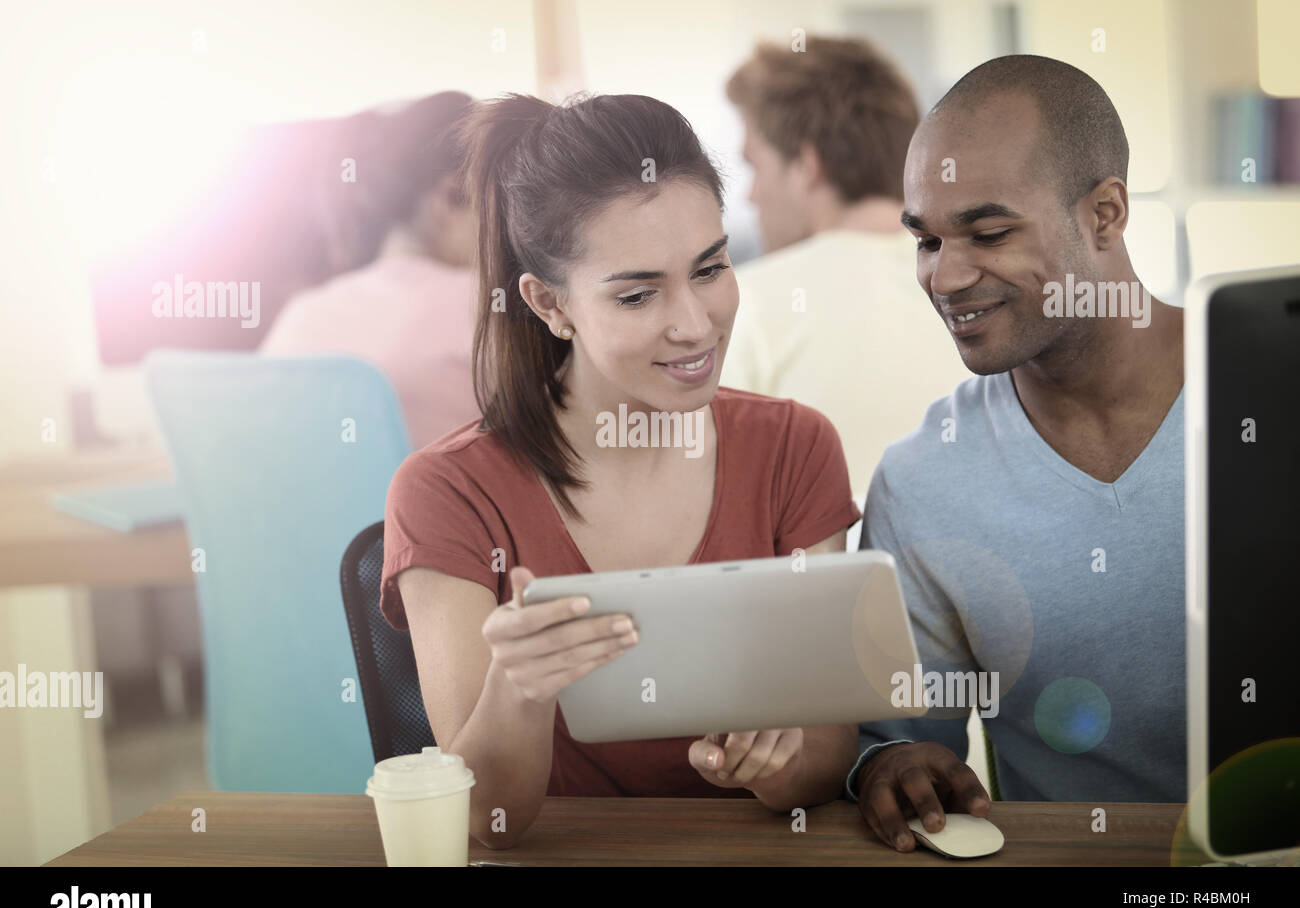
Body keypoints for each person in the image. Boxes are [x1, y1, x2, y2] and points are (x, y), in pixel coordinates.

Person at [379, 92, 862, 849]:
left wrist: (772, 762)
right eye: (638, 294)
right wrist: (520, 688)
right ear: (548, 304)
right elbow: (486, 823)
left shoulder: (794, 448)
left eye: (710, 269)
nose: (695, 324)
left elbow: (826, 763)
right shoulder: (448, 492)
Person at [847, 55, 1187, 851]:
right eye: (926, 240)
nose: (946, 275)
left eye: (988, 232)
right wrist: (896, 764)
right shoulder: (923, 481)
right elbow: (890, 739)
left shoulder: (1266, 389)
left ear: (1105, 214)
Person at [720, 36, 969, 495]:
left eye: (755, 166)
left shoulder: (743, 303)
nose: (752, 196)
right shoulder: (978, 288)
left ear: (807, 165)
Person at [261, 91, 481, 449]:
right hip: (450, 505)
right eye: (504, 201)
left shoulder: (301, 314)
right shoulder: (481, 302)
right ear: (451, 198)